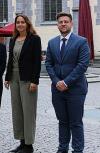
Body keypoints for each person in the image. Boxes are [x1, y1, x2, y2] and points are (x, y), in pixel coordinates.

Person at [45, 12, 89, 153]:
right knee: (62, 121)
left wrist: (66, 82)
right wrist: (57, 81)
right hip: (57, 89)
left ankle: (77, 150)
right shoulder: (52, 43)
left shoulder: (81, 41)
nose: (63, 24)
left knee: (75, 122)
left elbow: (82, 65)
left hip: (76, 89)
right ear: (57, 24)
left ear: (71, 23)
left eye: (66, 21)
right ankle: (62, 148)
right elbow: (48, 64)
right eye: (60, 22)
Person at [4, 15, 41, 153]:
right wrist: (7, 77)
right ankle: (21, 142)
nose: (20, 24)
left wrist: (34, 81)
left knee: (28, 112)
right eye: (17, 22)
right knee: (17, 111)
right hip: (14, 78)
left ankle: (29, 145)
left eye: (22, 22)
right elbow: (10, 60)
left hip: (27, 79)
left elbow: (37, 62)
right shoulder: (13, 39)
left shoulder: (34, 39)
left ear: (27, 24)